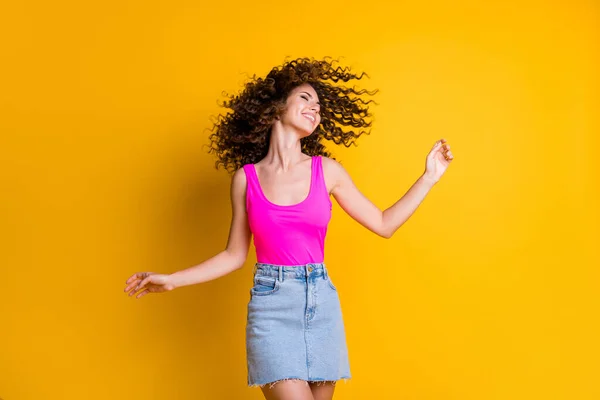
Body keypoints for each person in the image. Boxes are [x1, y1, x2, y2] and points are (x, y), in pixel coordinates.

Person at [123, 57, 454, 400]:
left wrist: (430, 176)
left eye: (319, 106)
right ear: (276, 108)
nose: (315, 108)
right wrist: (173, 279)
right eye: (305, 98)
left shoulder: (327, 171)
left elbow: (384, 224)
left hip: (321, 301)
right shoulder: (245, 180)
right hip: (272, 305)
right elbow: (234, 255)